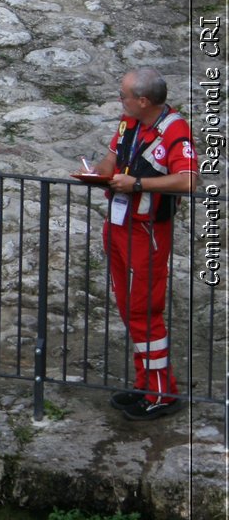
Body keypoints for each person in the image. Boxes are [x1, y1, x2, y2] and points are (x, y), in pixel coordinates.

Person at [86, 67, 197, 420]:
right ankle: (145, 384)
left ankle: (163, 393)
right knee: (129, 308)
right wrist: (96, 175)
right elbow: (113, 158)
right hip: (119, 225)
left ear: (144, 100)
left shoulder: (175, 130)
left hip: (147, 231)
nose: (121, 100)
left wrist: (136, 185)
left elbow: (189, 181)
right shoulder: (128, 122)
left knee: (144, 310)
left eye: (125, 95)